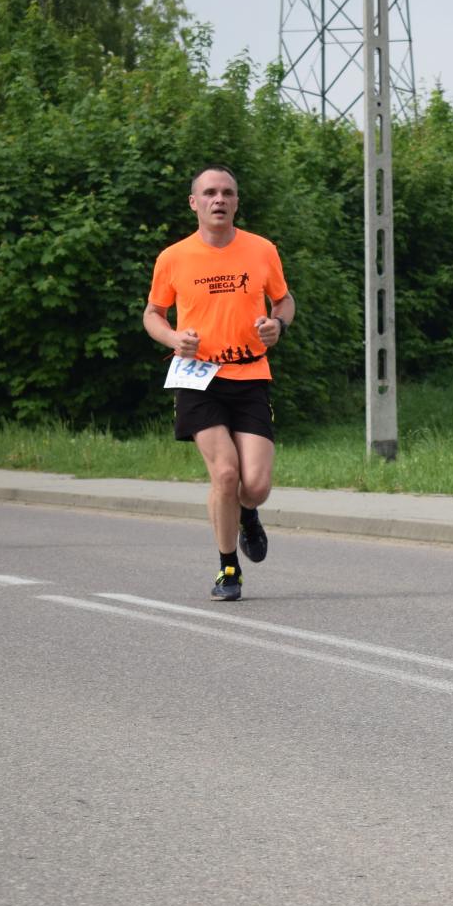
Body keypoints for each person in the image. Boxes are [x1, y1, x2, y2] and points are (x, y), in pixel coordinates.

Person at [143, 166, 295, 600]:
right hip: (198, 377)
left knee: (255, 486)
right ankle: (228, 569)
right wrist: (174, 338)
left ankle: (247, 514)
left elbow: (284, 300)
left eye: (227, 192)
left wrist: (278, 325)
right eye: (210, 192)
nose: (219, 199)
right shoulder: (173, 257)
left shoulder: (261, 250)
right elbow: (153, 314)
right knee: (226, 473)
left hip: (250, 374)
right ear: (194, 202)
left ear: (236, 202)